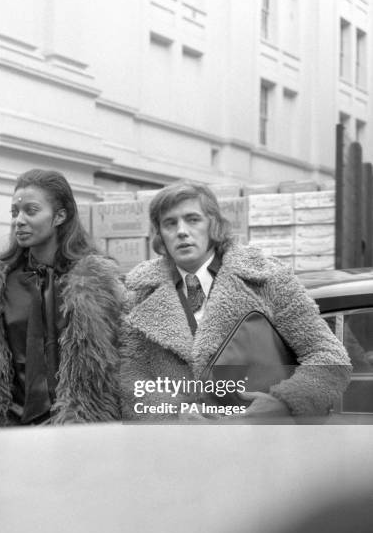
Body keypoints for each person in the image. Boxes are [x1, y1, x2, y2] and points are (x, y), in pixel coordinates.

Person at [121, 180, 351, 420]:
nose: (181, 231)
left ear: (213, 224)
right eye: (170, 223)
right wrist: (174, 415)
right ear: (160, 234)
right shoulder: (139, 293)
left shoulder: (267, 278)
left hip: (262, 444)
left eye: (192, 219)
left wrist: (283, 403)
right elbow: (129, 375)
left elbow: (328, 357)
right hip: (182, 448)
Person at [0, 169, 124, 427]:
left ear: (60, 216)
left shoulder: (96, 286)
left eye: (31, 211)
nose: (18, 220)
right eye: (14, 213)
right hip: (6, 431)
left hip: (76, 431)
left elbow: (116, 366)